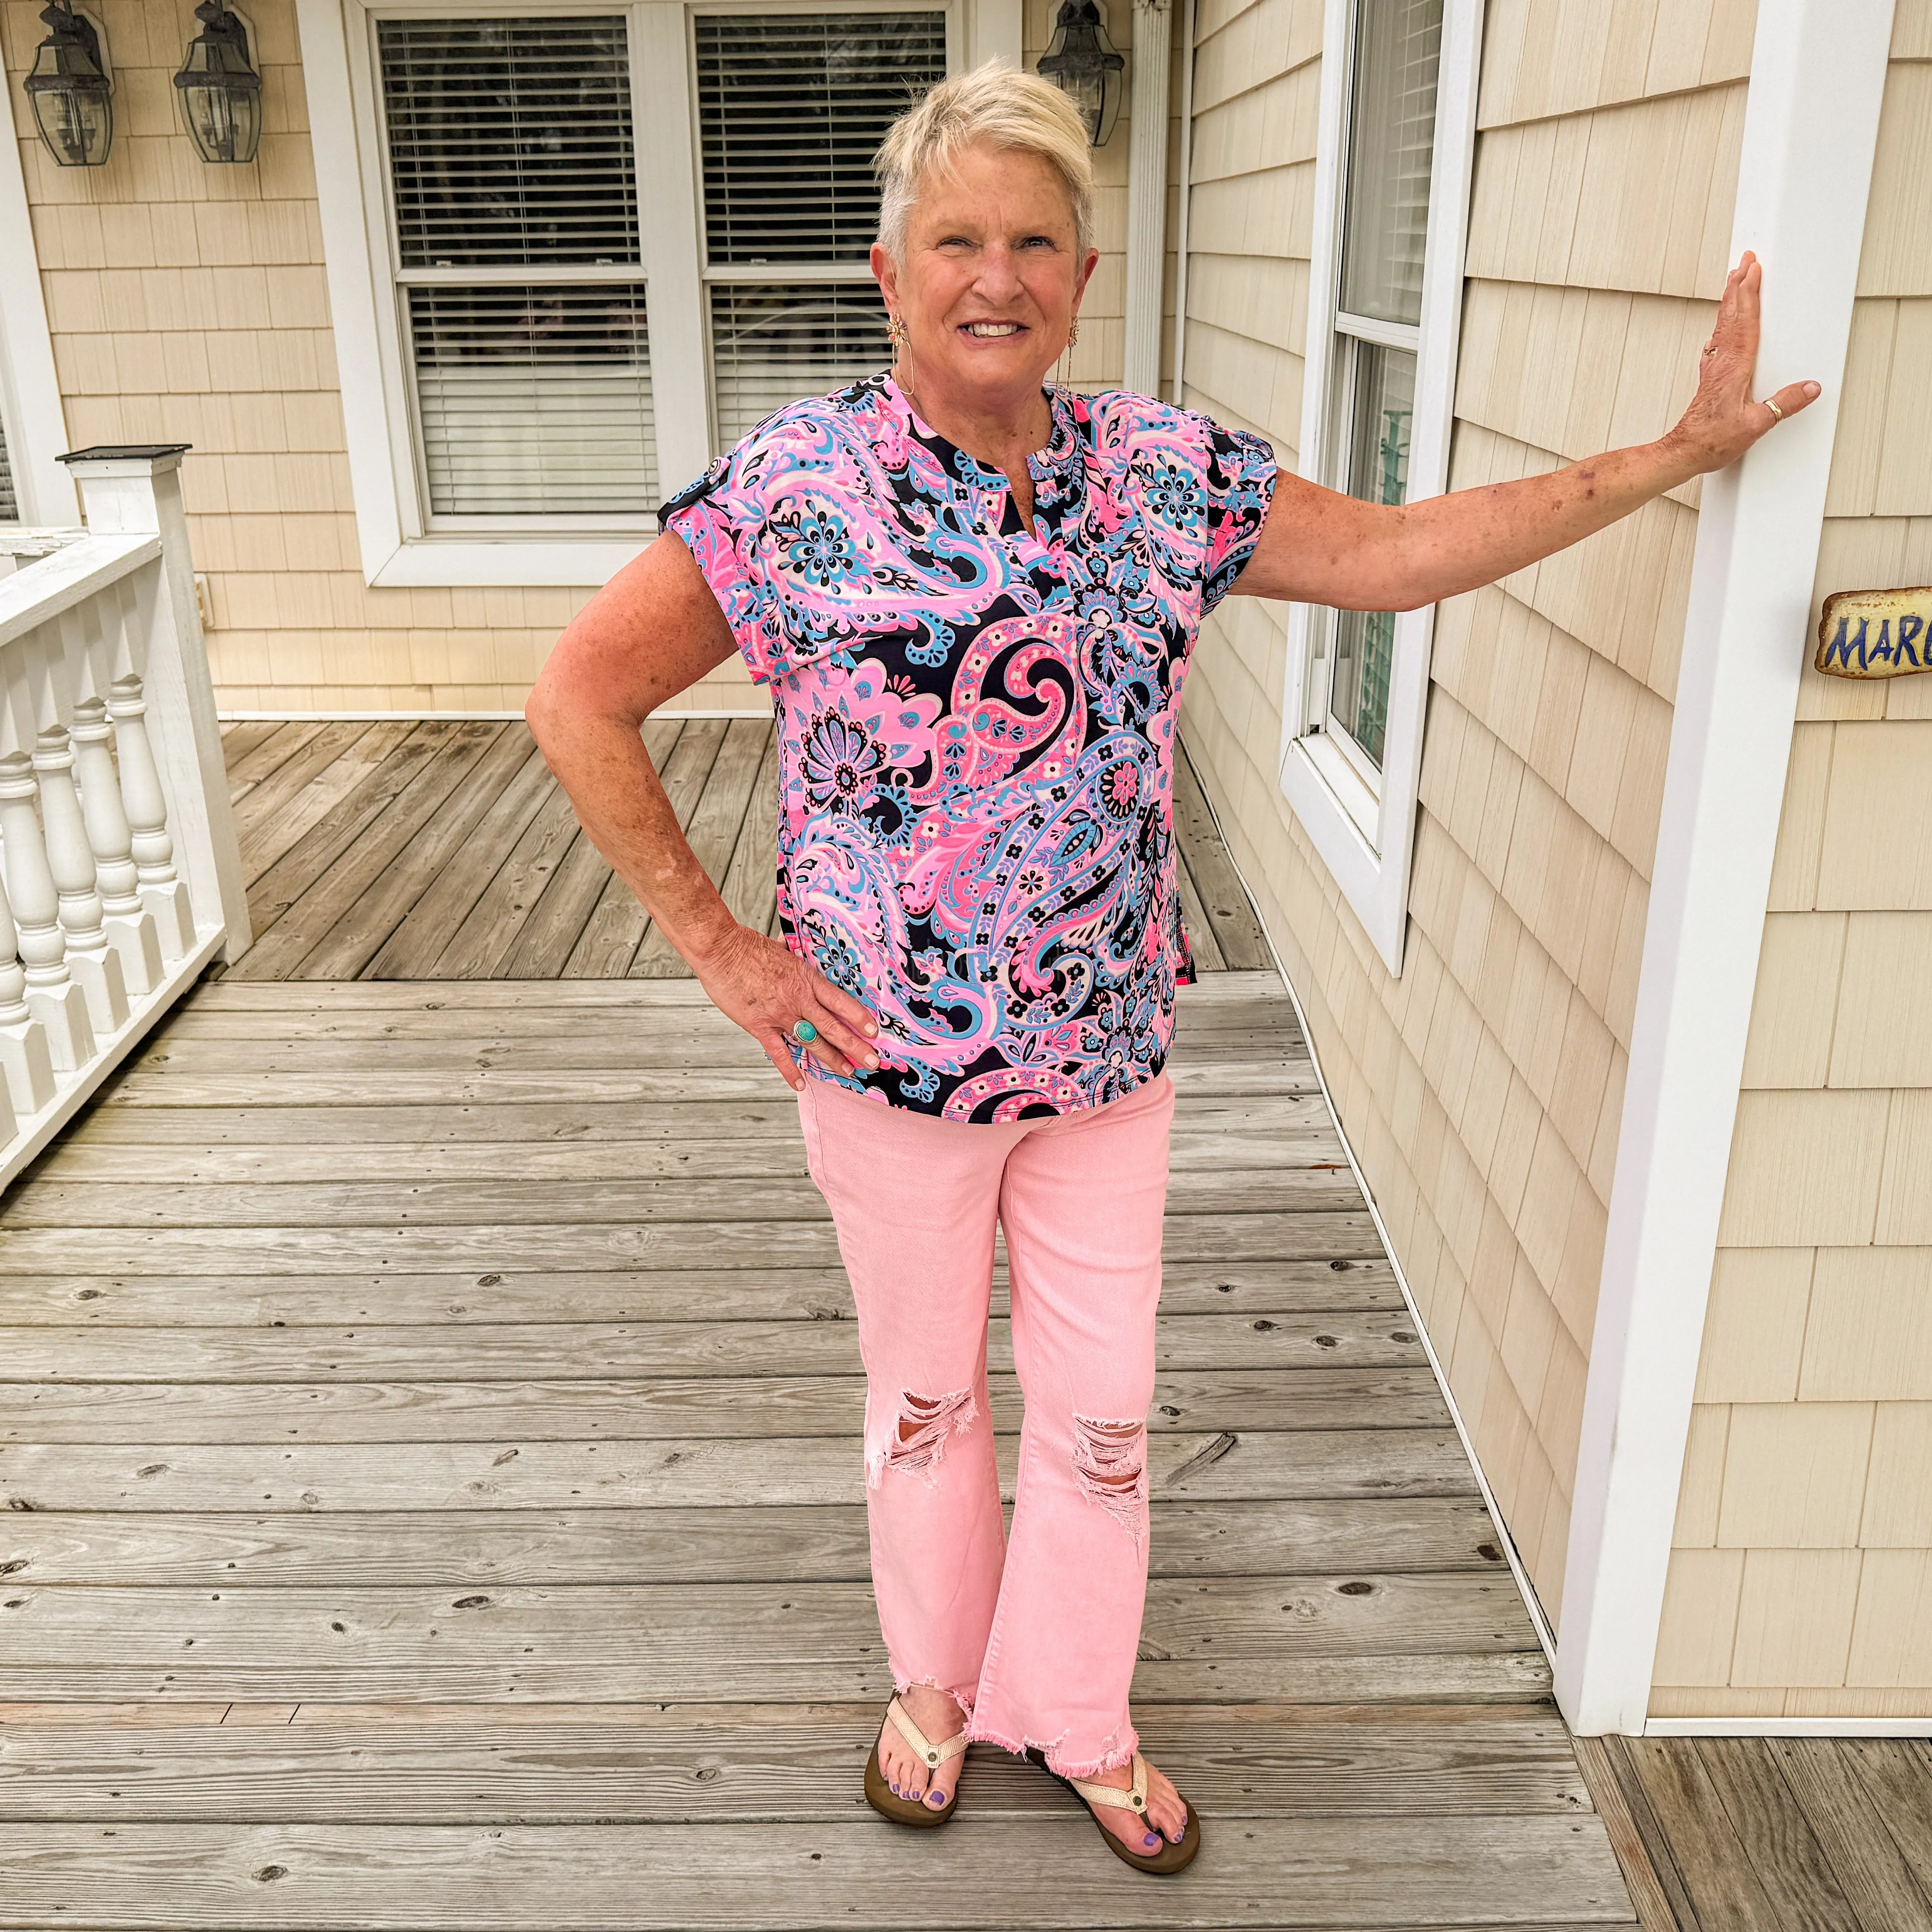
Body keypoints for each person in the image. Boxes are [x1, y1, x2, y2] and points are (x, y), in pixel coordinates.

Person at [524, 64, 1816, 1877]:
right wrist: (724, 950)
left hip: (1108, 1054)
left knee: (1105, 1411)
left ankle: (1079, 1711)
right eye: (957, 240)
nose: (997, 275)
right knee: (924, 1401)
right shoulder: (793, 489)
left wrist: (1663, 463)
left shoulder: (1161, 472)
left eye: (1033, 240)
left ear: (1084, 268)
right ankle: (934, 1689)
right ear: (891, 274)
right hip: (882, 1061)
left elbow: (1386, 558)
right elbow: (577, 696)